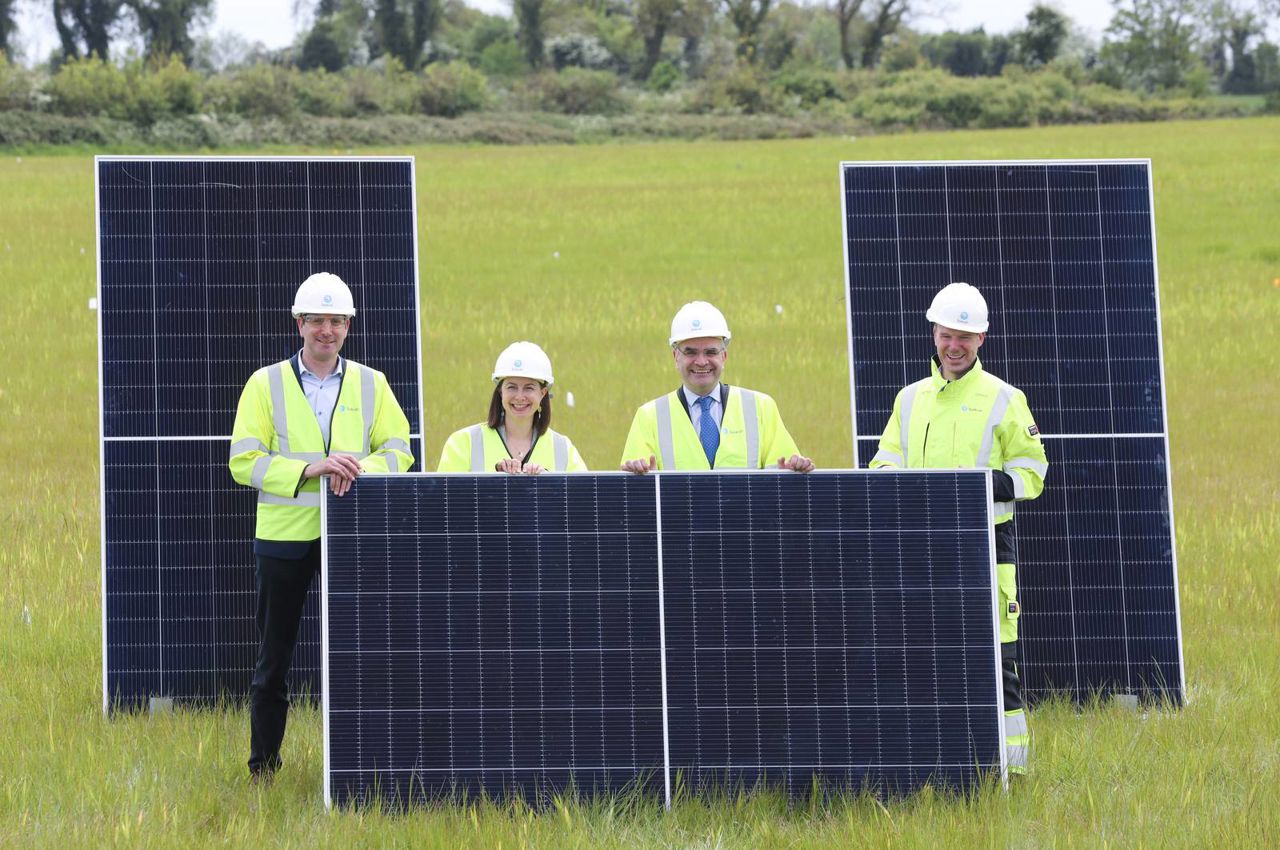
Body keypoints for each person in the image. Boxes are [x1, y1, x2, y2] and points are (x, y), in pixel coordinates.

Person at [228, 271, 413, 782]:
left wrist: (357, 468)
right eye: (316, 321)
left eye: (336, 321)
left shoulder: (372, 384)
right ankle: (263, 770)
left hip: (350, 538)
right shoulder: (263, 384)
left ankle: (362, 765)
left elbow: (400, 451)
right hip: (284, 540)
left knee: (360, 657)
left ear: (349, 326)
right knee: (273, 663)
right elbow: (242, 460)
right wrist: (309, 470)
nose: (326, 330)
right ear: (299, 324)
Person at [869, 281, 1048, 776]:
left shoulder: (1005, 399)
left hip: (987, 550)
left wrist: (983, 486)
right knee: (923, 660)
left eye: (965, 338)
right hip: (922, 550)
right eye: (948, 335)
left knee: (997, 663)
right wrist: (892, 483)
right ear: (933, 333)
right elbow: (884, 460)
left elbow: (1032, 472)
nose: (955, 346)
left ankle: (1014, 772)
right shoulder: (909, 400)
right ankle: (931, 764)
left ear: (982, 340)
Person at [620, 301, 814, 474]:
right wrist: (639, 483)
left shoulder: (761, 408)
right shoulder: (648, 417)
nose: (702, 361)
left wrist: (794, 472)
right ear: (675, 357)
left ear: (724, 357)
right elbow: (634, 498)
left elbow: (783, 481)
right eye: (690, 352)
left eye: (711, 352)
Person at [437, 341, 587, 474]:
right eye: (512, 387)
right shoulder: (463, 443)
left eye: (529, 388)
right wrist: (495, 482)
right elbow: (444, 502)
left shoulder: (562, 448)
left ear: (543, 393)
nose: (520, 396)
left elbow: (583, 500)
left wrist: (547, 483)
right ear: (500, 391)